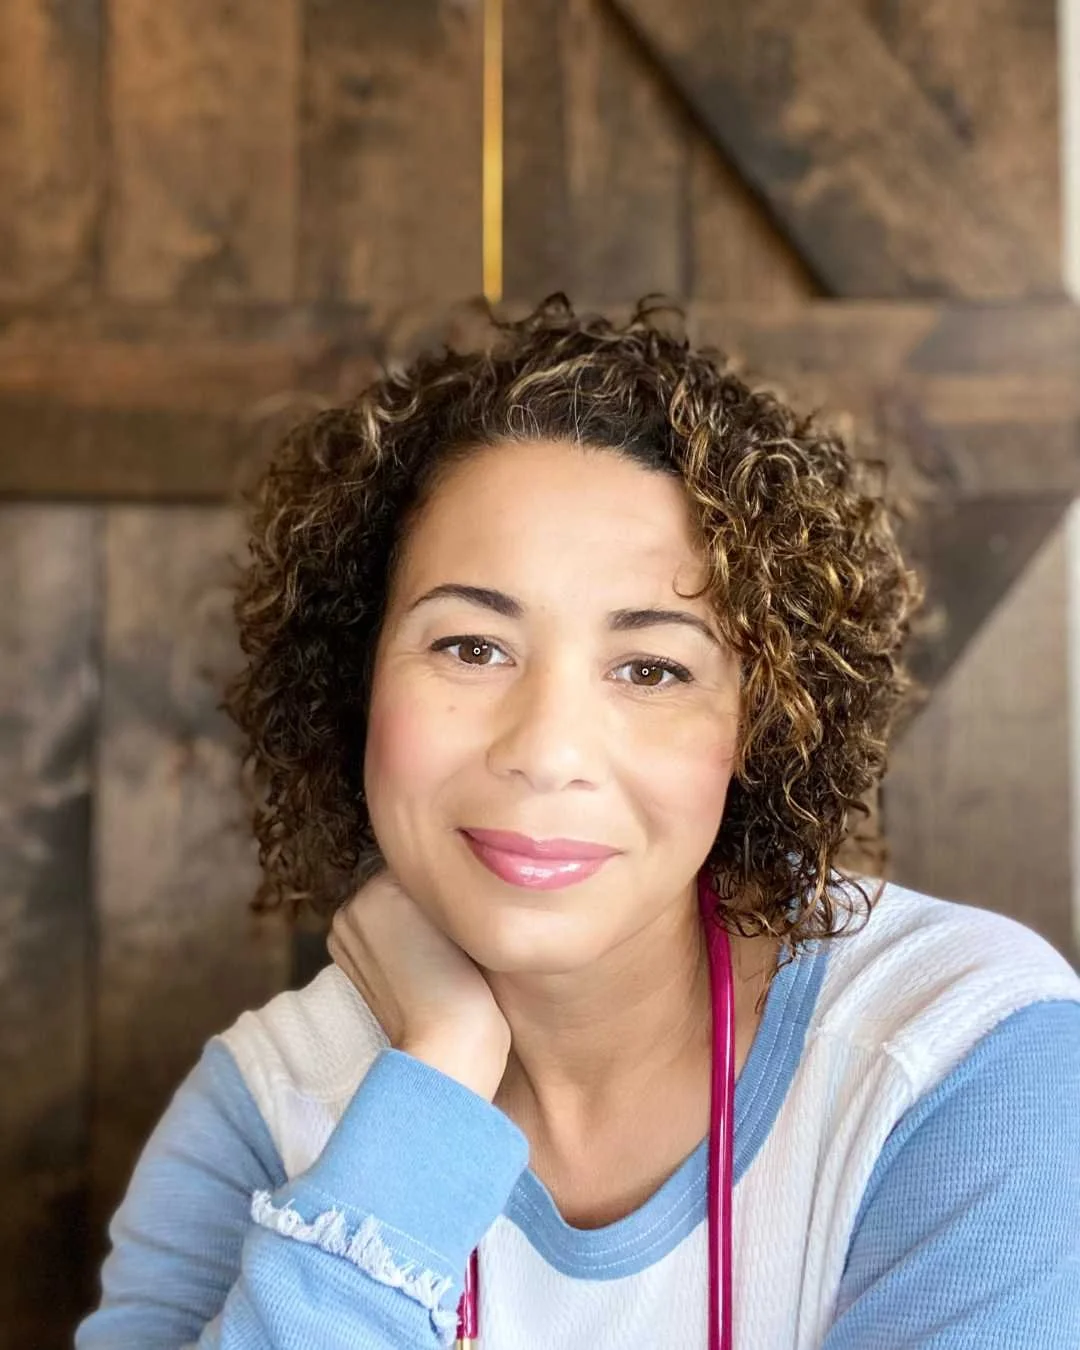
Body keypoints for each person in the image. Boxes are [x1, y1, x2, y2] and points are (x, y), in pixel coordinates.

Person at [76, 296, 1080, 1349]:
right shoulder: (261, 1109)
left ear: (760, 724)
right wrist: (435, 1082)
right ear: (357, 677)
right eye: (471, 647)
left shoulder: (965, 1057)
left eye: (651, 668)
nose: (546, 750)